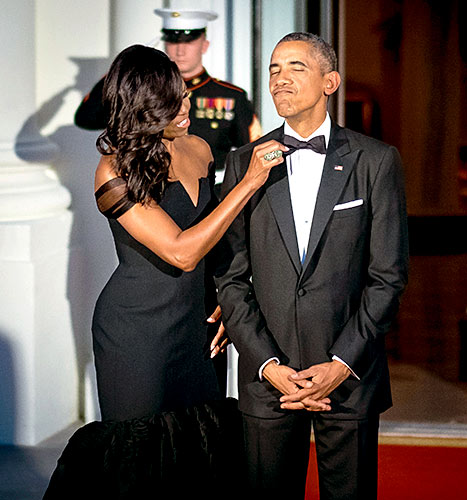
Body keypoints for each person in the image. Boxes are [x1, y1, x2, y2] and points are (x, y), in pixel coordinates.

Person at [42, 44, 285, 499]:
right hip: (136, 335)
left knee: (200, 456)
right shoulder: (111, 170)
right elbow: (181, 252)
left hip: (198, 328)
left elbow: (216, 246)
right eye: (175, 100)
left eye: (186, 95)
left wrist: (226, 304)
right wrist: (249, 182)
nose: (188, 105)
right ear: (146, 106)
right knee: (139, 465)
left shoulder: (198, 147)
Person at [215, 32, 409, 500]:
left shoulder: (376, 161)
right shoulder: (244, 162)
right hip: (269, 380)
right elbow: (230, 276)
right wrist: (267, 364)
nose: (280, 79)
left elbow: (388, 276)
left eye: (295, 68)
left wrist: (341, 363)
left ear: (330, 81)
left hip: (348, 377)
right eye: (274, 70)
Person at [74, 8, 261, 176]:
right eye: (173, 42)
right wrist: (121, 71)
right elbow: (86, 118)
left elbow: (254, 149)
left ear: (204, 45)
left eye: (189, 42)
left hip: (214, 191)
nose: (180, 51)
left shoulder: (231, 96)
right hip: (155, 187)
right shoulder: (145, 93)